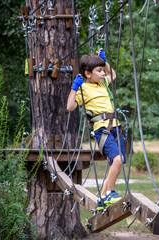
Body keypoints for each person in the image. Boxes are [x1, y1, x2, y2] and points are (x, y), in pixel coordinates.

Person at [66, 49, 125, 211]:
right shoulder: (83, 89)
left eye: (102, 70)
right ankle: (110, 193)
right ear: (88, 73)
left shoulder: (103, 83)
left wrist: (103, 62)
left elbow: (113, 74)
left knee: (117, 163)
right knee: (117, 160)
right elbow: (70, 107)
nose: (102, 73)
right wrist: (74, 88)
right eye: (99, 71)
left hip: (116, 127)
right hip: (102, 129)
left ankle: (103, 197)